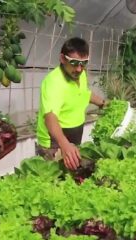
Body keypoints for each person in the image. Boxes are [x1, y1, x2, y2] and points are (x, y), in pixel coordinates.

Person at [36, 37, 106, 170]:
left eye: (83, 63)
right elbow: (50, 117)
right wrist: (65, 145)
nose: (79, 69)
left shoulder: (80, 74)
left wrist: (103, 103)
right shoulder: (54, 82)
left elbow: (84, 93)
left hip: (72, 139)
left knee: (73, 178)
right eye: (74, 63)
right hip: (55, 143)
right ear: (62, 59)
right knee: (54, 181)